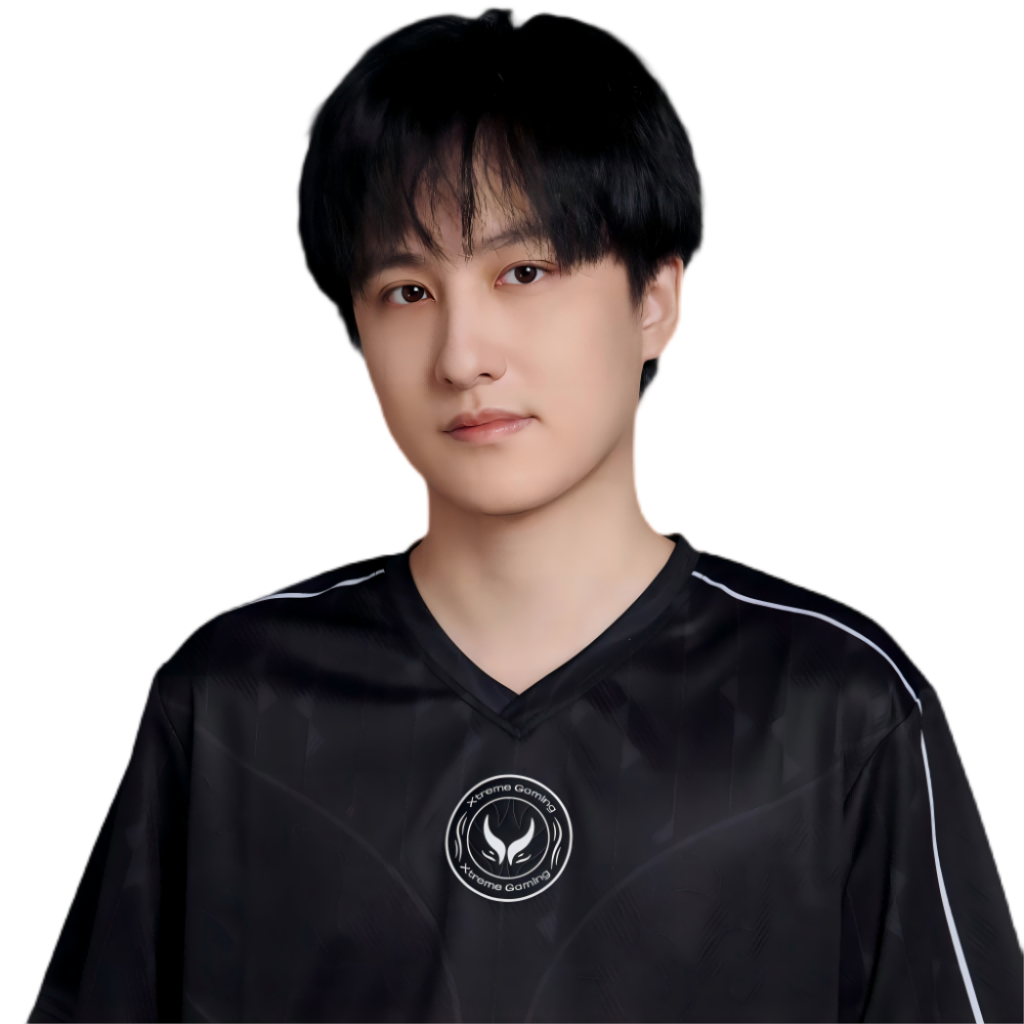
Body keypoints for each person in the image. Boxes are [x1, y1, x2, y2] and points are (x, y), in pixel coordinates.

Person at [26, 8, 1021, 1022]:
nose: (463, 355)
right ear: (354, 331)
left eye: (524, 272)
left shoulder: (838, 704)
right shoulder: (233, 699)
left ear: (657, 301)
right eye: (406, 290)